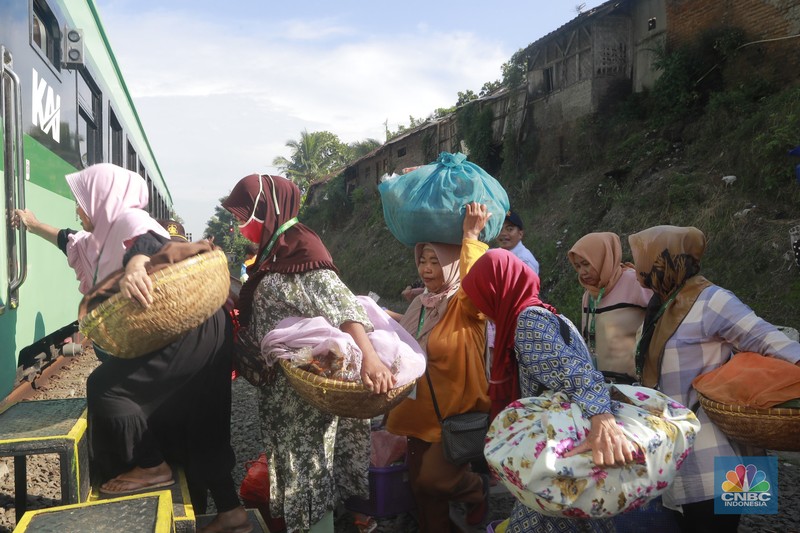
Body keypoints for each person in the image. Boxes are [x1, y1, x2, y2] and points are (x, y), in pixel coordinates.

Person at [13, 163, 249, 533]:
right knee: (199, 414)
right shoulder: (100, 239)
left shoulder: (127, 221)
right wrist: (32, 222)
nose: (78, 209)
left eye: (82, 201)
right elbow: (68, 239)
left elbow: (147, 245)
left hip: (188, 329)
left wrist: (137, 264)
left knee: (106, 389)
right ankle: (232, 513)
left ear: (102, 198)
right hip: (203, 328)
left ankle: (151, 466)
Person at [222, 173, 395, 533]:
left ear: (266, 208)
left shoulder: (303, 249)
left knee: (309, 475)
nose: (240, 227)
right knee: (297, 470)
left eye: (243, 217)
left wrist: (371, 358)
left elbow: (344, 305)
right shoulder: (275, 251)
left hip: (306, 396)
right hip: (285, 392)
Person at [628, 225, 800, 533]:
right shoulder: (660, 305)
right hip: (676, 446)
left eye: (646, 262)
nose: (640, 270)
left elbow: (768, 339)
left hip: (718, 449)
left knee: (714, 527)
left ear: (669, 261)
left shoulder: (711, 300)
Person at [461, 248, 637, 533]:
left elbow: (579, 376)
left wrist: (601, 419)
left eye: (482, 296)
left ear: (498, 289)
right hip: (561, 449)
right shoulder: (539, 314)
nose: (481, 309)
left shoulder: (528, 323)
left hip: (559, 452)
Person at [385, 202, 492, 532]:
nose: (426, 268)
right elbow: (415, 336)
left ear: (454, 264)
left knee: (434, 482)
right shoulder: (421, 301)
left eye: (436, 261)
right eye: (422, 260)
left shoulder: (465, 305)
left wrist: (470, 236)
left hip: (452, 413)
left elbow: (478, 288)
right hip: (418, 410)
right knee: (421, 490)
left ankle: (477, 489)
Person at [567, 232, 652, 383]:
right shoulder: (589, 295)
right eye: (577, 266)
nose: (581, 272)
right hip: (601, 385)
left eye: (586, 264)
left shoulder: (634, 282)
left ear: (602, 258)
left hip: (635, 386)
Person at [495, 210, 539, 274]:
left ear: (520, 234)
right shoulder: (495, 254)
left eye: (509, 229)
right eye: (500, 229)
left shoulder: (523, 261)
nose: (503, 233)